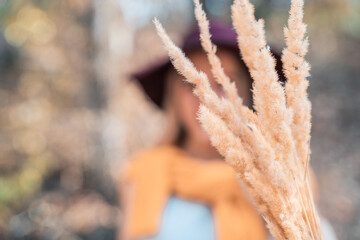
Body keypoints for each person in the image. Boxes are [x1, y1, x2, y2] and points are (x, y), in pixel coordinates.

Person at [119, 21, 285, 240]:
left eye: (224, 81)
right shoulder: (144, 170)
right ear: (174, 97)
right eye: (191, 83)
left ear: (246, 93)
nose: (208, 99)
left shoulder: (278, 177)